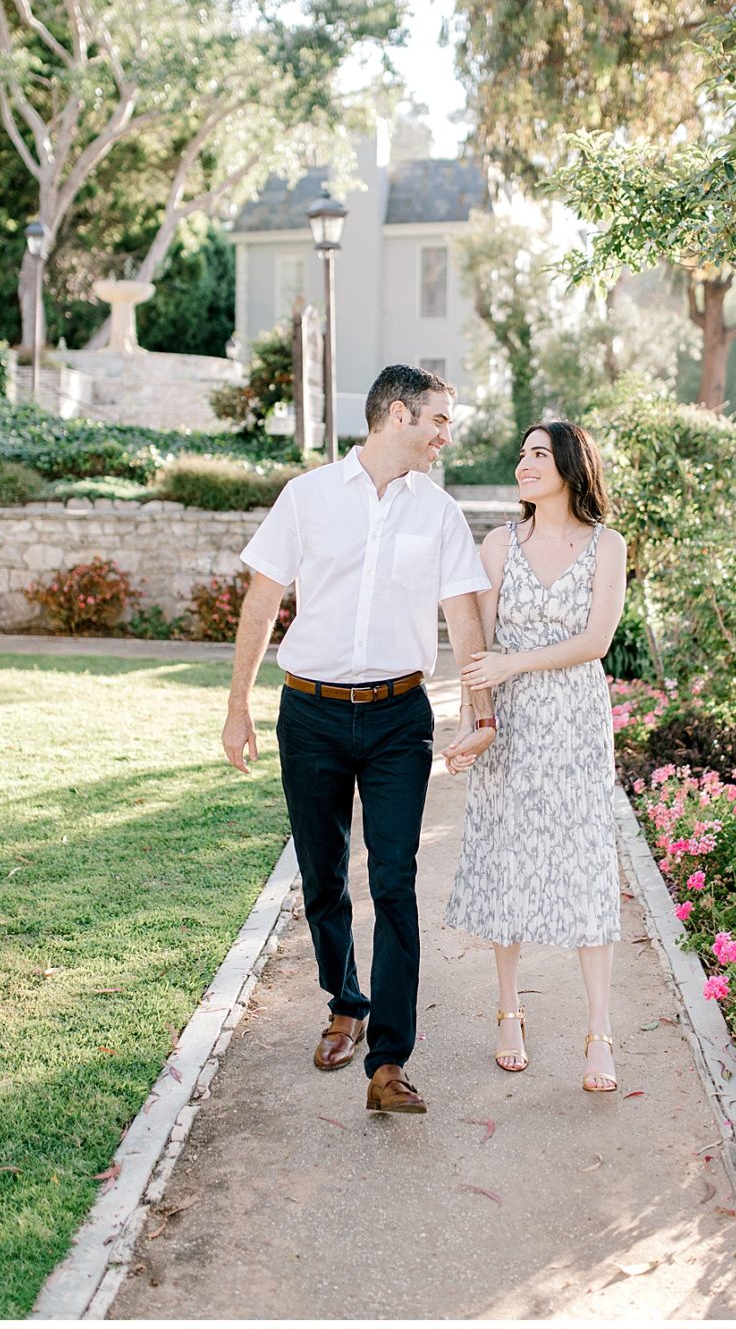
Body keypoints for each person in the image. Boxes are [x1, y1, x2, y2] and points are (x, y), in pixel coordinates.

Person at [222, 365, 497, 1115]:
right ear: (398, 414)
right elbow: (261, 599)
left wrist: (480, 714)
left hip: (396, 716)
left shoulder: (437, 513)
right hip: (308, 713)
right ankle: (344, 1002)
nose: (447, 434)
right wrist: (238, 705)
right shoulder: (307, 497)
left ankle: (388, 1061)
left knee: (396, 880)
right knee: (322, 874)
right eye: (439, 419)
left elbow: (464, 620)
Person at [444, 421, 628, 1092]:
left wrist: (512, 663)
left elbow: (595, 640)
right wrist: (475, 725)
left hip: (576, 722)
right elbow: (478, 649)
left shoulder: (606, 546)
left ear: (571, 466)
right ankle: (508, 1012)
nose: (523, 464)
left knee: (585, 864)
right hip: (512, 725)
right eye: (520, 454)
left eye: (538, 455)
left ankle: (599, 1034)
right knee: (508, 861)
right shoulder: (498, 544)